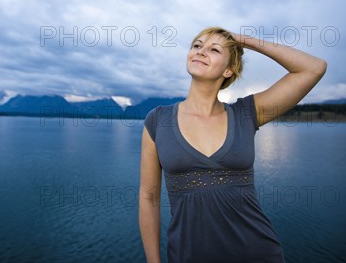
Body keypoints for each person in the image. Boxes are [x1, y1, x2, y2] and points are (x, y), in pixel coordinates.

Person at [138, 26, 327, 263]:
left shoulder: (246, 114)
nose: (201, 51)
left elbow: (313, 68)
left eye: (214, 49)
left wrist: (241, 41)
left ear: (228, 70)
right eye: (197, 45)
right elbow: (148, 197)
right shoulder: (158, 120)